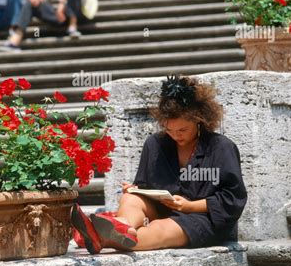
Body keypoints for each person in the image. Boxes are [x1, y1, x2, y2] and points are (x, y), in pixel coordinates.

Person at [71, 75, 248, 254]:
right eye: (169, 130)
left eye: (182, 130)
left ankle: (100, 237)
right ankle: (120, 227)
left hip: (204, 219)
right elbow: (145, 188)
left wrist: (189, 206)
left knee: (160, 229)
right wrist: (135, 190)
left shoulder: (221, 147)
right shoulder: (155, 144)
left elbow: (233, 199)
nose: (176, 135)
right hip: (163, 211)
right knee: (130, 199)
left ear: (199, 119)